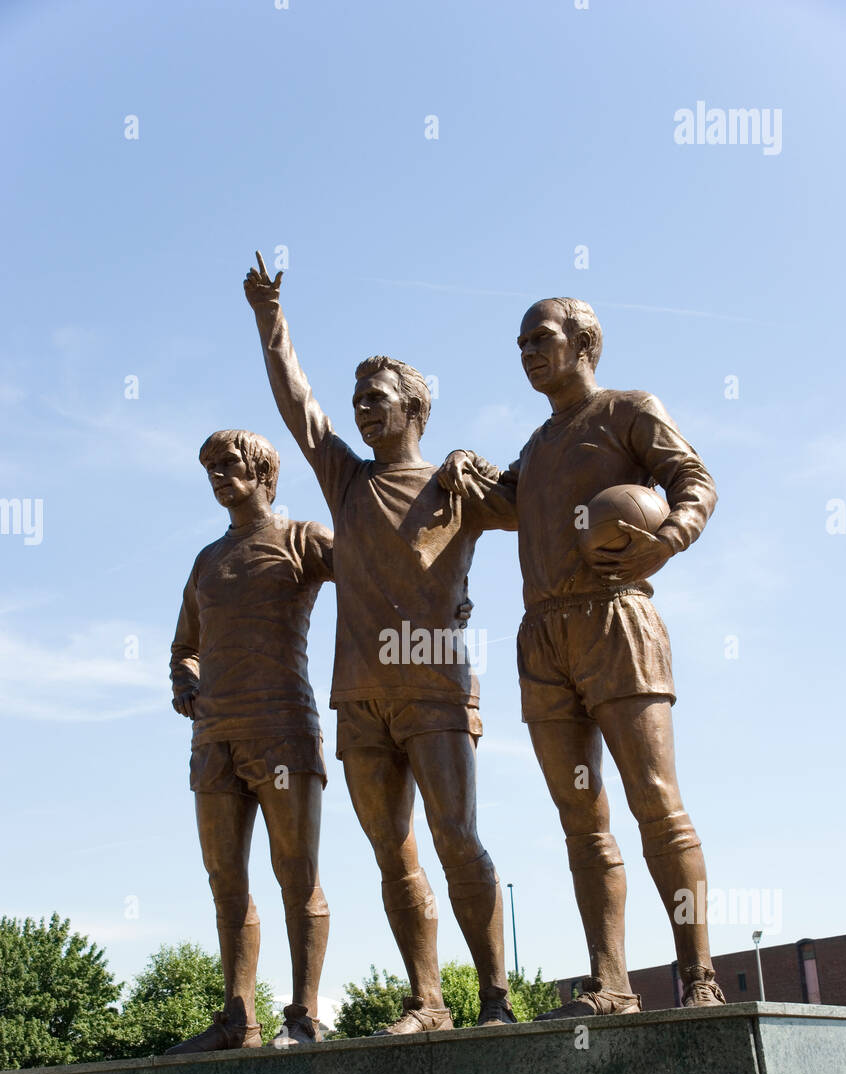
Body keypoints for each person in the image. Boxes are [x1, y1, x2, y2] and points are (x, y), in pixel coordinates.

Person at [244, 254, 518, 1033]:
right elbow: (298, 403)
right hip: (359, 697)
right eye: (358, 399)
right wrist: (271, 319)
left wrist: (487, 468)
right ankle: (428, 1001)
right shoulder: (347, 480)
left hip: (434, 686)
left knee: (457, 839)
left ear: (414, 409)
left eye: (378, 398)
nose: (362, 409)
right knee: (392, 852)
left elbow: (542, 502)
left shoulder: (457, 486)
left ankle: (493, 997)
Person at [438, 297, 726, 1014]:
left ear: (585, 341)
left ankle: (700, 978)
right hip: (543, 636)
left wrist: (672, 535)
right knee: (579, 817)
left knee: (656, 802)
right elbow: (500, 504)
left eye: (542, 337)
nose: (529, 351)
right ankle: (612, 982)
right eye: (520, 343)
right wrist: (462, 470)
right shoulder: (536, 448)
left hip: (617, 622)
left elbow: (696, 481)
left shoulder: (630, 409)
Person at [168, 428, 333, 1051]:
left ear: (261, 470)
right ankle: (239, 1019)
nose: (215, 474)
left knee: (297, 872)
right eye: (208, 466)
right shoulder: (207, 561)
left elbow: (378, 580)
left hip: (284, 728)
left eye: (227, 463)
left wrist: (440, 600)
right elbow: (184, 646)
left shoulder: (303, 538)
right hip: (214, 739)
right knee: (225, 880)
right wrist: (185, 679)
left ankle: (305, 1014)